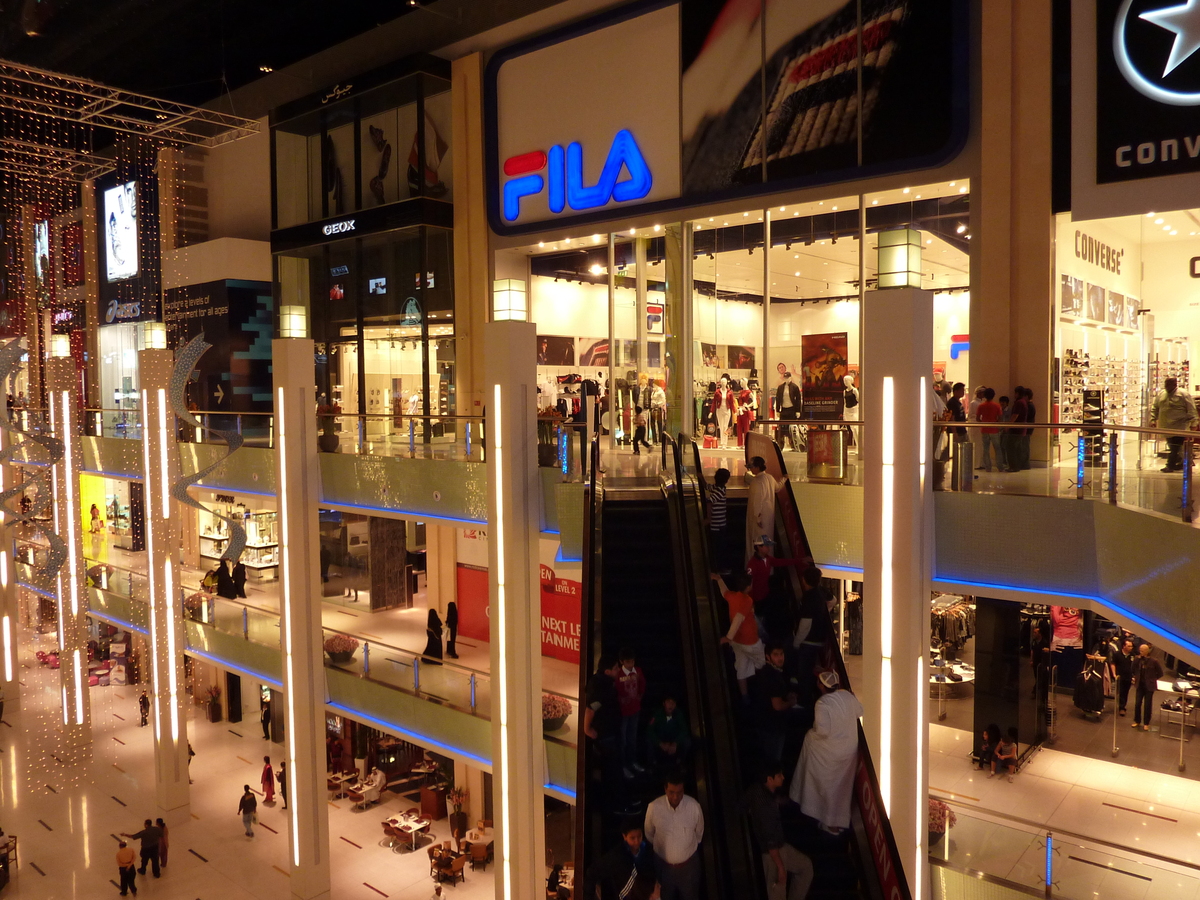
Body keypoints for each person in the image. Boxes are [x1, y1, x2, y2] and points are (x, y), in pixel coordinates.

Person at [789, 671, 863, 833]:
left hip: (829, 751)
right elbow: (860, 711)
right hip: (849, 750)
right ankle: (836, 822)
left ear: (821, 685)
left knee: (825, 784)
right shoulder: (847, 697)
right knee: (841, 787)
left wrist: (811, 734)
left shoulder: (822, 703)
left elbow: (822, 731)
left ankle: (824, 817)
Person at [745, 761, 814, 900]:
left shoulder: (757, 790)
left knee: (805, 867)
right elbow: (770, 842)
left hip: (781, 846)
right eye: (779, 775)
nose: (783, 777)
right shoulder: (767, 808)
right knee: (778, 889)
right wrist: (780, 867)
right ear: (770, 779)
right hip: (773, 854)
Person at [584, 656, 635, 816]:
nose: (618, 670)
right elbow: (591, 709)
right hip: (606, 735)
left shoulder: (602, 682)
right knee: (613, 770)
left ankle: (621, 802)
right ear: (607, 671)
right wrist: (587, 729)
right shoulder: (600, 687)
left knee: (615, 769)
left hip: (610, 732)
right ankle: (619, 805)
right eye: (614, 668)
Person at [643, 773, 704, 900]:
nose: (676, 796)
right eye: (671, 792)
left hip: (688, 867)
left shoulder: (694, 807)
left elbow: (699, 834)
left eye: (679, 792)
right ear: (665, 789)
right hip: (663, 866)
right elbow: (649, 834)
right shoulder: (654, 808)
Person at [713, 571, 765, 699]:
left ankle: (744, 696)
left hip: (737, 641)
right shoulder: (747, 600)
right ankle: (764, 690)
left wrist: (719, 579)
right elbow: (738, 618)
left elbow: (724, 592)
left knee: (741, 668)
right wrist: (728, 637)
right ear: (748, 587)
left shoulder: (733, 596)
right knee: (762, 664)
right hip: (750, 640)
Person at [583, 817, 659, 900]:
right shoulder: (617, 856)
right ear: (624, 836)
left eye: (639, 836)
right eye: (632, 838)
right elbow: (592, 873)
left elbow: (655, 875)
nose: (637, 841)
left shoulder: (648, 851)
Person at [747, 535, 804, 643]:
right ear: (759, 547)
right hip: (757, 600)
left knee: (765, 620)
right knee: (759, 622)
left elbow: (780, 562)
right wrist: (751, 601)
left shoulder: (767, 559)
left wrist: (798, 561)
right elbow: (749, 585)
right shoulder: (752, 565)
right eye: (766, 546)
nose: (768, 548)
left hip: (766, 596)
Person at [755, 643, 802, 764]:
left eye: (781, 654)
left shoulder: (767, 672)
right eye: (776, 655)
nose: (780, 657)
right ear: (768, 657)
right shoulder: (773, 676)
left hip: (765, 723)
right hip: (773, 726)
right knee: (774, 759)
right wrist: (791, 702)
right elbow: (777, 706)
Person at [793, 566, 833, 697]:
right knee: (813, 670)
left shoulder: (808, 597)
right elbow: (833, 600)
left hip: (808, 641)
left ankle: (803, 699)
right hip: (821, 639)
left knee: (803, 673)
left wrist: (797, 642)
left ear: (804, 580)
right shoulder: (821, 591)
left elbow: (805, 624)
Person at [1151, 377, 1199, 472]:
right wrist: (1153, 419)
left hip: (1179, 425)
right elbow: (1155, 407)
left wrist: (1194, 422)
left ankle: (1170, 465)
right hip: (1165, 426)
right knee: (1173, 445)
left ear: (1175, 384)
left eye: (1169, 384)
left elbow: (1191, 409)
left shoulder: (1183, 394)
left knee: (1175, 446)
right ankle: (1184, 461)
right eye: (1166, 384)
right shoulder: (1161, 394)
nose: (1167, 386)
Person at [615, 647, 647, 778]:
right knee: (623, 740)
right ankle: (623, 765)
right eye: (628, 662)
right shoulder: (618, 675)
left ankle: (632, 762)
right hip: (623, 713)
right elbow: (615, 691)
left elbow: (643, 684)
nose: (631, 664)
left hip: (635, 710)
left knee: (632, 738)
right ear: (622, 662)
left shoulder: (638, 671)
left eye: (632, 661)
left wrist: (640, 695)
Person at [745, 456, 781, 561]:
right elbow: (777, 488)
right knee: (767, 541)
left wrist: (758, 517)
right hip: (769, 516)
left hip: (758, 518)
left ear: (757, 467)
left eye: (751, 467)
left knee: (757, 542)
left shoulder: (757, 481)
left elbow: (757, 501)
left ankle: (755, 566)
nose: (750, 469)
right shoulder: (769, 477)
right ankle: (768, 566)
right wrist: (784, 479)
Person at [645, 695, 691, 772]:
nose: (671, 705)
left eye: (673, 703)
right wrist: (660, 743)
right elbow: (649, 730)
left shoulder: (679, 714)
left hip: (674, 739)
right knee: (648, 740)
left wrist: (675, 743)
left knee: (687, 741)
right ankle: (651, 764)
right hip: (661, 739)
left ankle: (681, 762)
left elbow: (684, 730)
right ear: (664, 704)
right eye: (668, 702)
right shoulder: (657, 714)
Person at [1131, 643, 1165, 732]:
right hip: (1140, 684)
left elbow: (1160, 673)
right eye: (1140, 650)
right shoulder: (1137, 660)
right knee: (1137, 703)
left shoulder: (1154, 661)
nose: (1140, 652)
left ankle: (1146, 723)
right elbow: (1133, 669)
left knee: (1147, 704)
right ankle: (1137, 720)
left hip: (1149, 686)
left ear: (1147, 651)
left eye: (1142, 651)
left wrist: (1152, 679)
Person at [707, 468, 730, 573]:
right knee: (720, 548)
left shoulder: (715, 488)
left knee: (718, 547)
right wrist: (708, 518)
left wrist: (702, 478)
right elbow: (710, 502)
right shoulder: (720, 490)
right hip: (719, 525)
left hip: (717, 525)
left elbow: (707, 486)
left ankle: (716, 567)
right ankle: (719, 568)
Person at [976, 388, 1005, 472]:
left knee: (986, 449)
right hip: (994, 430)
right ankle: (1000, 466)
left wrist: (983, 423)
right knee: (997, 448)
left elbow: (978, 418)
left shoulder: (981, 406)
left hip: (984, 429)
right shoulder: (997, 406)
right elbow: (1000, 418)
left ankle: (988, 467)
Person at [1004, 388, 1029, 472]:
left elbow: (1015, 415)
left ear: (1017, 393)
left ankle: (1013, 466)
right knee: (1017, 448)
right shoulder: (1024, 402)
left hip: (1016, 429)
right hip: (1021, 429)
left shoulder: (1019, 403)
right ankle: (1017, 465)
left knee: (1010, 447)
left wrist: (1008, 425)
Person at [776, 372, 802, 451]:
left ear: (790, 378)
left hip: (792, 410)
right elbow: (778, 399)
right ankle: (780, 446)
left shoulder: (795, 387)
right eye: (785, 378)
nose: (786, 379)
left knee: (792, 428)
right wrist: (778, 410)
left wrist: (798, 411)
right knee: (781, 429)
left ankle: (793, 445)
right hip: (784, 409)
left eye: (788, 378)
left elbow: (798, 400)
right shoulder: (780, 387)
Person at [1113, 638, 1136, 716]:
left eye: (1131, 646)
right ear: (1124, 646)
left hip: (1128, 677)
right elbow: (1112, 664)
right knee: (1121, 691)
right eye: (1129, 646)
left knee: (1125, 692)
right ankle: (1121, 707)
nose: (1131, 648)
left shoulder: (1132, 655)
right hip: (1120, 676)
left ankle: (1122, 705)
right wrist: (1114, 674)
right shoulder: (1117, 654)